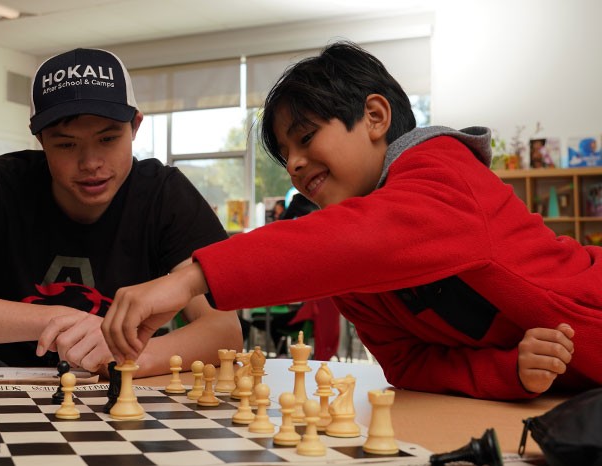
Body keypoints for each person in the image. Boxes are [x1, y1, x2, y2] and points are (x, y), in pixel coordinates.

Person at [103, 41, 600, 401]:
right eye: (286, 156)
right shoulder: (356, 269)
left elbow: (364, 237)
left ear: (376, 117)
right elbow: (409, 363)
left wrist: (190, 277)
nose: (294, 165)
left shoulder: (443, 171)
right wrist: (509, 371)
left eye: (307, 136)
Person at [0, 48, 241, 377]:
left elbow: (223, 330)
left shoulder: (165, 194)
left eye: (108, 139)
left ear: (135, 127)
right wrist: (59, 319)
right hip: (0, 385)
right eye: (66, 144)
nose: (91, 163)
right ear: (39, 139)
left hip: (119, 390)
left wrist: (123, 356)